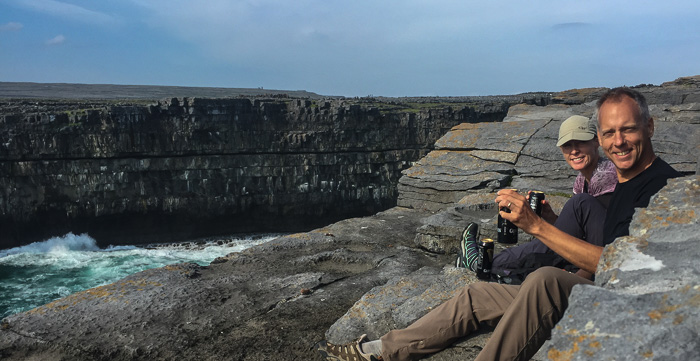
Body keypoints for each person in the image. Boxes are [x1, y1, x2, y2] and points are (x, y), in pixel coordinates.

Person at [317, 87, 681, 361]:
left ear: (649, 126)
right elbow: (606, 250)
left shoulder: (664, 188)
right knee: (476, 294)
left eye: (628, 130)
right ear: (600, 138)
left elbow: (622, 268)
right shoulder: (622, 180)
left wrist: (537, 226)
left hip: (625, 301)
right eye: (609, 133)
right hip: (593, 285)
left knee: (543, 279)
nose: (618, 142)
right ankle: (382, 351)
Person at [456, 115, 618, 280]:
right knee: (552, 241)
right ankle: (496, 268)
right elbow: (583, 231)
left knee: (568, 218)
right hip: (594, 257)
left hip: (607, 260)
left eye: (581, 142)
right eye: (567, 145)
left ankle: (482, 263)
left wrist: (579, 278)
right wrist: (552, 219)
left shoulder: (606, 175)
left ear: (596, 142)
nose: (574, 150)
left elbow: (604, 238)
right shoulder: (582, 180)